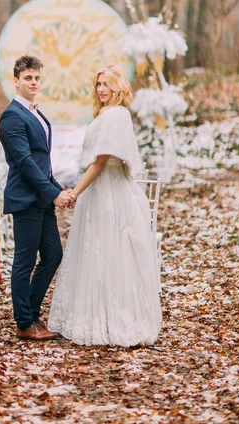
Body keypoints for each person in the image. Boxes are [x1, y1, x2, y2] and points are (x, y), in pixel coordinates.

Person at [48, 64, 162, 347]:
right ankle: (93, 314)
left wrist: (74, 191)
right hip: (100, 190)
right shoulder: (107, 113)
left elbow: (100, 162)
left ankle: (116, 319)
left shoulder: (117, 115)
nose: (101, 89)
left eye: (107, 84)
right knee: (95, 251)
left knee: (113, 251)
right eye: (98, 83)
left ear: (118, 87)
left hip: (109, 190)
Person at [0, 55, 72, 341]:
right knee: (24, 262)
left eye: (37, 78)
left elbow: (42, 162)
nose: (33, 82)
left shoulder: (36, 114)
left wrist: (56, 187)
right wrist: (52, 194)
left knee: (53, 255)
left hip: (41, 197)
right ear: (16, 81)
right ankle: (25, 323)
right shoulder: (11, 117)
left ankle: (29, 310)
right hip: (26, 199)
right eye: (28, 78)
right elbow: (25, 162)